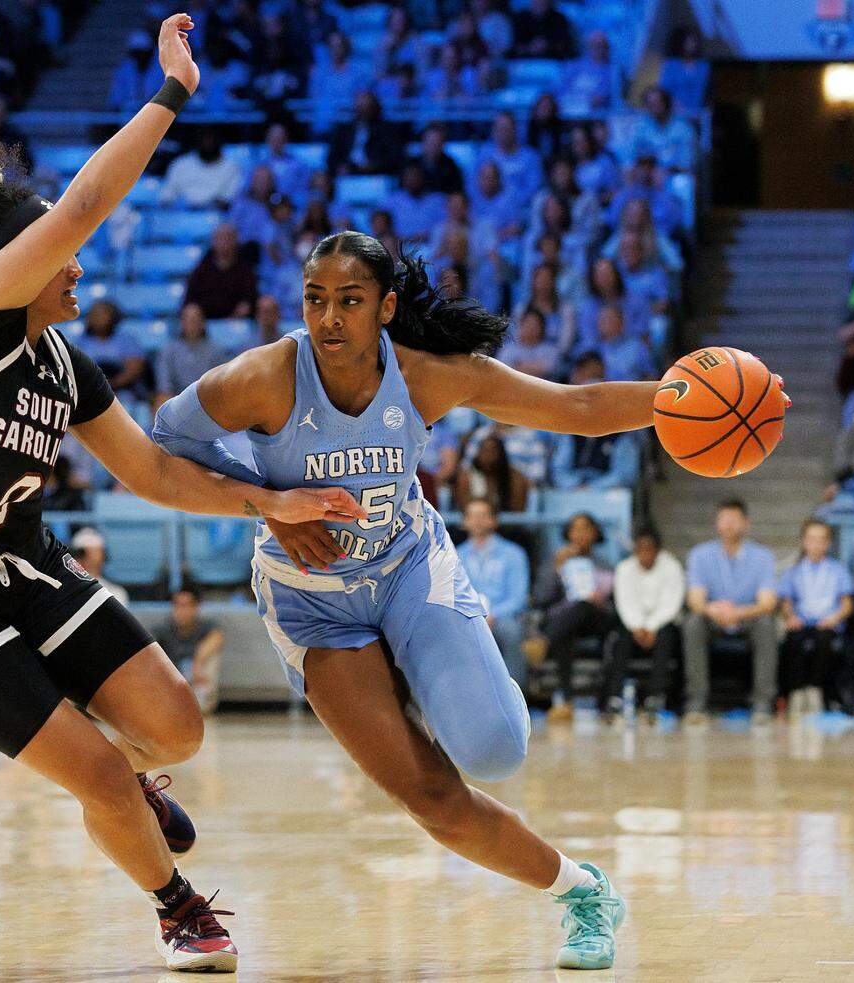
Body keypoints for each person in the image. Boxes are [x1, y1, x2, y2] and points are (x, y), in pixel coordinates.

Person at [0, 19, 363, 972]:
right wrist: (169, 95)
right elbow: (86, 201)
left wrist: (272, 503)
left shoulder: (63, 362)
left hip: (20, 564)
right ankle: (178, 907)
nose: (79, 260)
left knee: (175, 724)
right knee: (94, 772)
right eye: (61, 249)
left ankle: (130, 784)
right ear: (20, 263)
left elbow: (155, 473)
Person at [153, 230, 701, 970]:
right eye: (315, 300)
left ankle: (450, 663)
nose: (329, 319)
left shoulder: (428, 377)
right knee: (433, 799)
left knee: (494, 749)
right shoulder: (266, 376)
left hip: (409, 565)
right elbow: (168, 435)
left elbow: (575, 406)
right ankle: (583, 892)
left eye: (350, 301)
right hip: (313, 605)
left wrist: (684, 398)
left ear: (385, 308)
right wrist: (268, 500)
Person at [682, 500, 778, 727]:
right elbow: (695, 600)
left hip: (748, 618)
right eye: (724, 519)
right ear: (717, 523)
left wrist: (741, 612)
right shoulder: (700, 555)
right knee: (693, 622)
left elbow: (768, 602)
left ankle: (762, 704)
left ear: (746, 523)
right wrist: (712, 610)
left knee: (766, 623)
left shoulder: (762, 556)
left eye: (734, 520)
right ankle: (696, 704)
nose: (728, 525)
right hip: (713, 619)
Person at [534, 513, 617, 724]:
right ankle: (566, 700)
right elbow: (542, 598)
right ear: (567, 533)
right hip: (564, 621)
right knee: (566, 629)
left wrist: (600, 601)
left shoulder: (604, 564)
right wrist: (557, 568)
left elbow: (617, 601)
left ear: (596, 533)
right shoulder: (555, 560)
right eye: (575, 528)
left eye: (586, 528)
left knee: (583, 606)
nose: (580, 534)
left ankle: (544, 640)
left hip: (595, 618)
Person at [777, 519, 854, 717]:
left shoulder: (838, 570)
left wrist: (834, 618)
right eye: (811, 539)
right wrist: (791, 617)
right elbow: (786, 602)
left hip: (827, 623)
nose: (816, 544)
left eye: (821, 540)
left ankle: (815, 691)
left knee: (824, 639)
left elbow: (847, 604)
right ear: (804, 541)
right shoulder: (793, 571)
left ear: (828, 543)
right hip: (801, 622)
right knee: (793, 639)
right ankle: (796, 692)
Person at [607, 528, 684, 721]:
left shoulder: (672, 567)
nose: (645, 554)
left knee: (667, 637)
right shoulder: (624, 569)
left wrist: (651, 626)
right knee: (620, 639)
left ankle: (654, 697)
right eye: (640, 549)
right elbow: (624, 602)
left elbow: (671, 603)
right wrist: (638, 626)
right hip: (632, 624)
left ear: (658, 551)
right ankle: (614, 697)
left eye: (649, 550)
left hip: (662, 623)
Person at [457, 498, 531, 686]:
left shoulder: (514, 554)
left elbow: (518, 597)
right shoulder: (454, 554)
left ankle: (516, 694)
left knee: (512, 631)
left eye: (483, 516)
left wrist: (492, 614)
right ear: (464, 522)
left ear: (494, 520)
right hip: (467, 616)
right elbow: (452, 592)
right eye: (472, 516)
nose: (478, 521)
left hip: (502, 617)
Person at [153, 589, 225, 714]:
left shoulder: (206, 626)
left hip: (197, 680)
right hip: (173, 682)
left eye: (186, 606)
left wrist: (197, 663)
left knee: (213, 656)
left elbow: (217, 638)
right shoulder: (164, 629)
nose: (182, 611)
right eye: (178, 606)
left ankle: (201, 704)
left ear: (196, 607)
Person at [156, 303, 232, 402]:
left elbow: (221, 382)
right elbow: (164, 384)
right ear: (181, 322)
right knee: (161, 399)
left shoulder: (216, 350)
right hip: (176, 398)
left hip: (207, 399)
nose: (191, 322)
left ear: (203, 322)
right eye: (187, 318)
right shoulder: (168, 349)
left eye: (195, 318)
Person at [183, 224, 258, 319]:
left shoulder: (245, 270)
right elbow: (189, 300)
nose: (224, 242)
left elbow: (251, 300)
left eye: (228, 237)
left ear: (236, 241)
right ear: (213, 241)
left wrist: (243, 309)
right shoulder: (202, 269)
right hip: (204, 322)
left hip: (236, 322)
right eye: (220, 238)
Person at [159, 130, 243, 209]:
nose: (208, 141)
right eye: (204, 137)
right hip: (181, 216)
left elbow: (229, 200)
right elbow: (166, 198)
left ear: (219, 140)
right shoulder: (180, 164)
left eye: (211, 137)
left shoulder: (232, 167)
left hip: (217, 218)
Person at [454, 433, 529, 513]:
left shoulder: (515, 479)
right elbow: (465, 510)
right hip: (475, 521)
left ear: (501, 453)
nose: (488, 455)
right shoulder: (466, 478)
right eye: (484, 450)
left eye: (493, 451)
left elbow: (517, 513)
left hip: (507, 523)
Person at [70, 526, 129, 605]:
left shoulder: (115, 593)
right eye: (81, 553)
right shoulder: (64, 591)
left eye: (90, 552)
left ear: (103, 555)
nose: (82, 557)